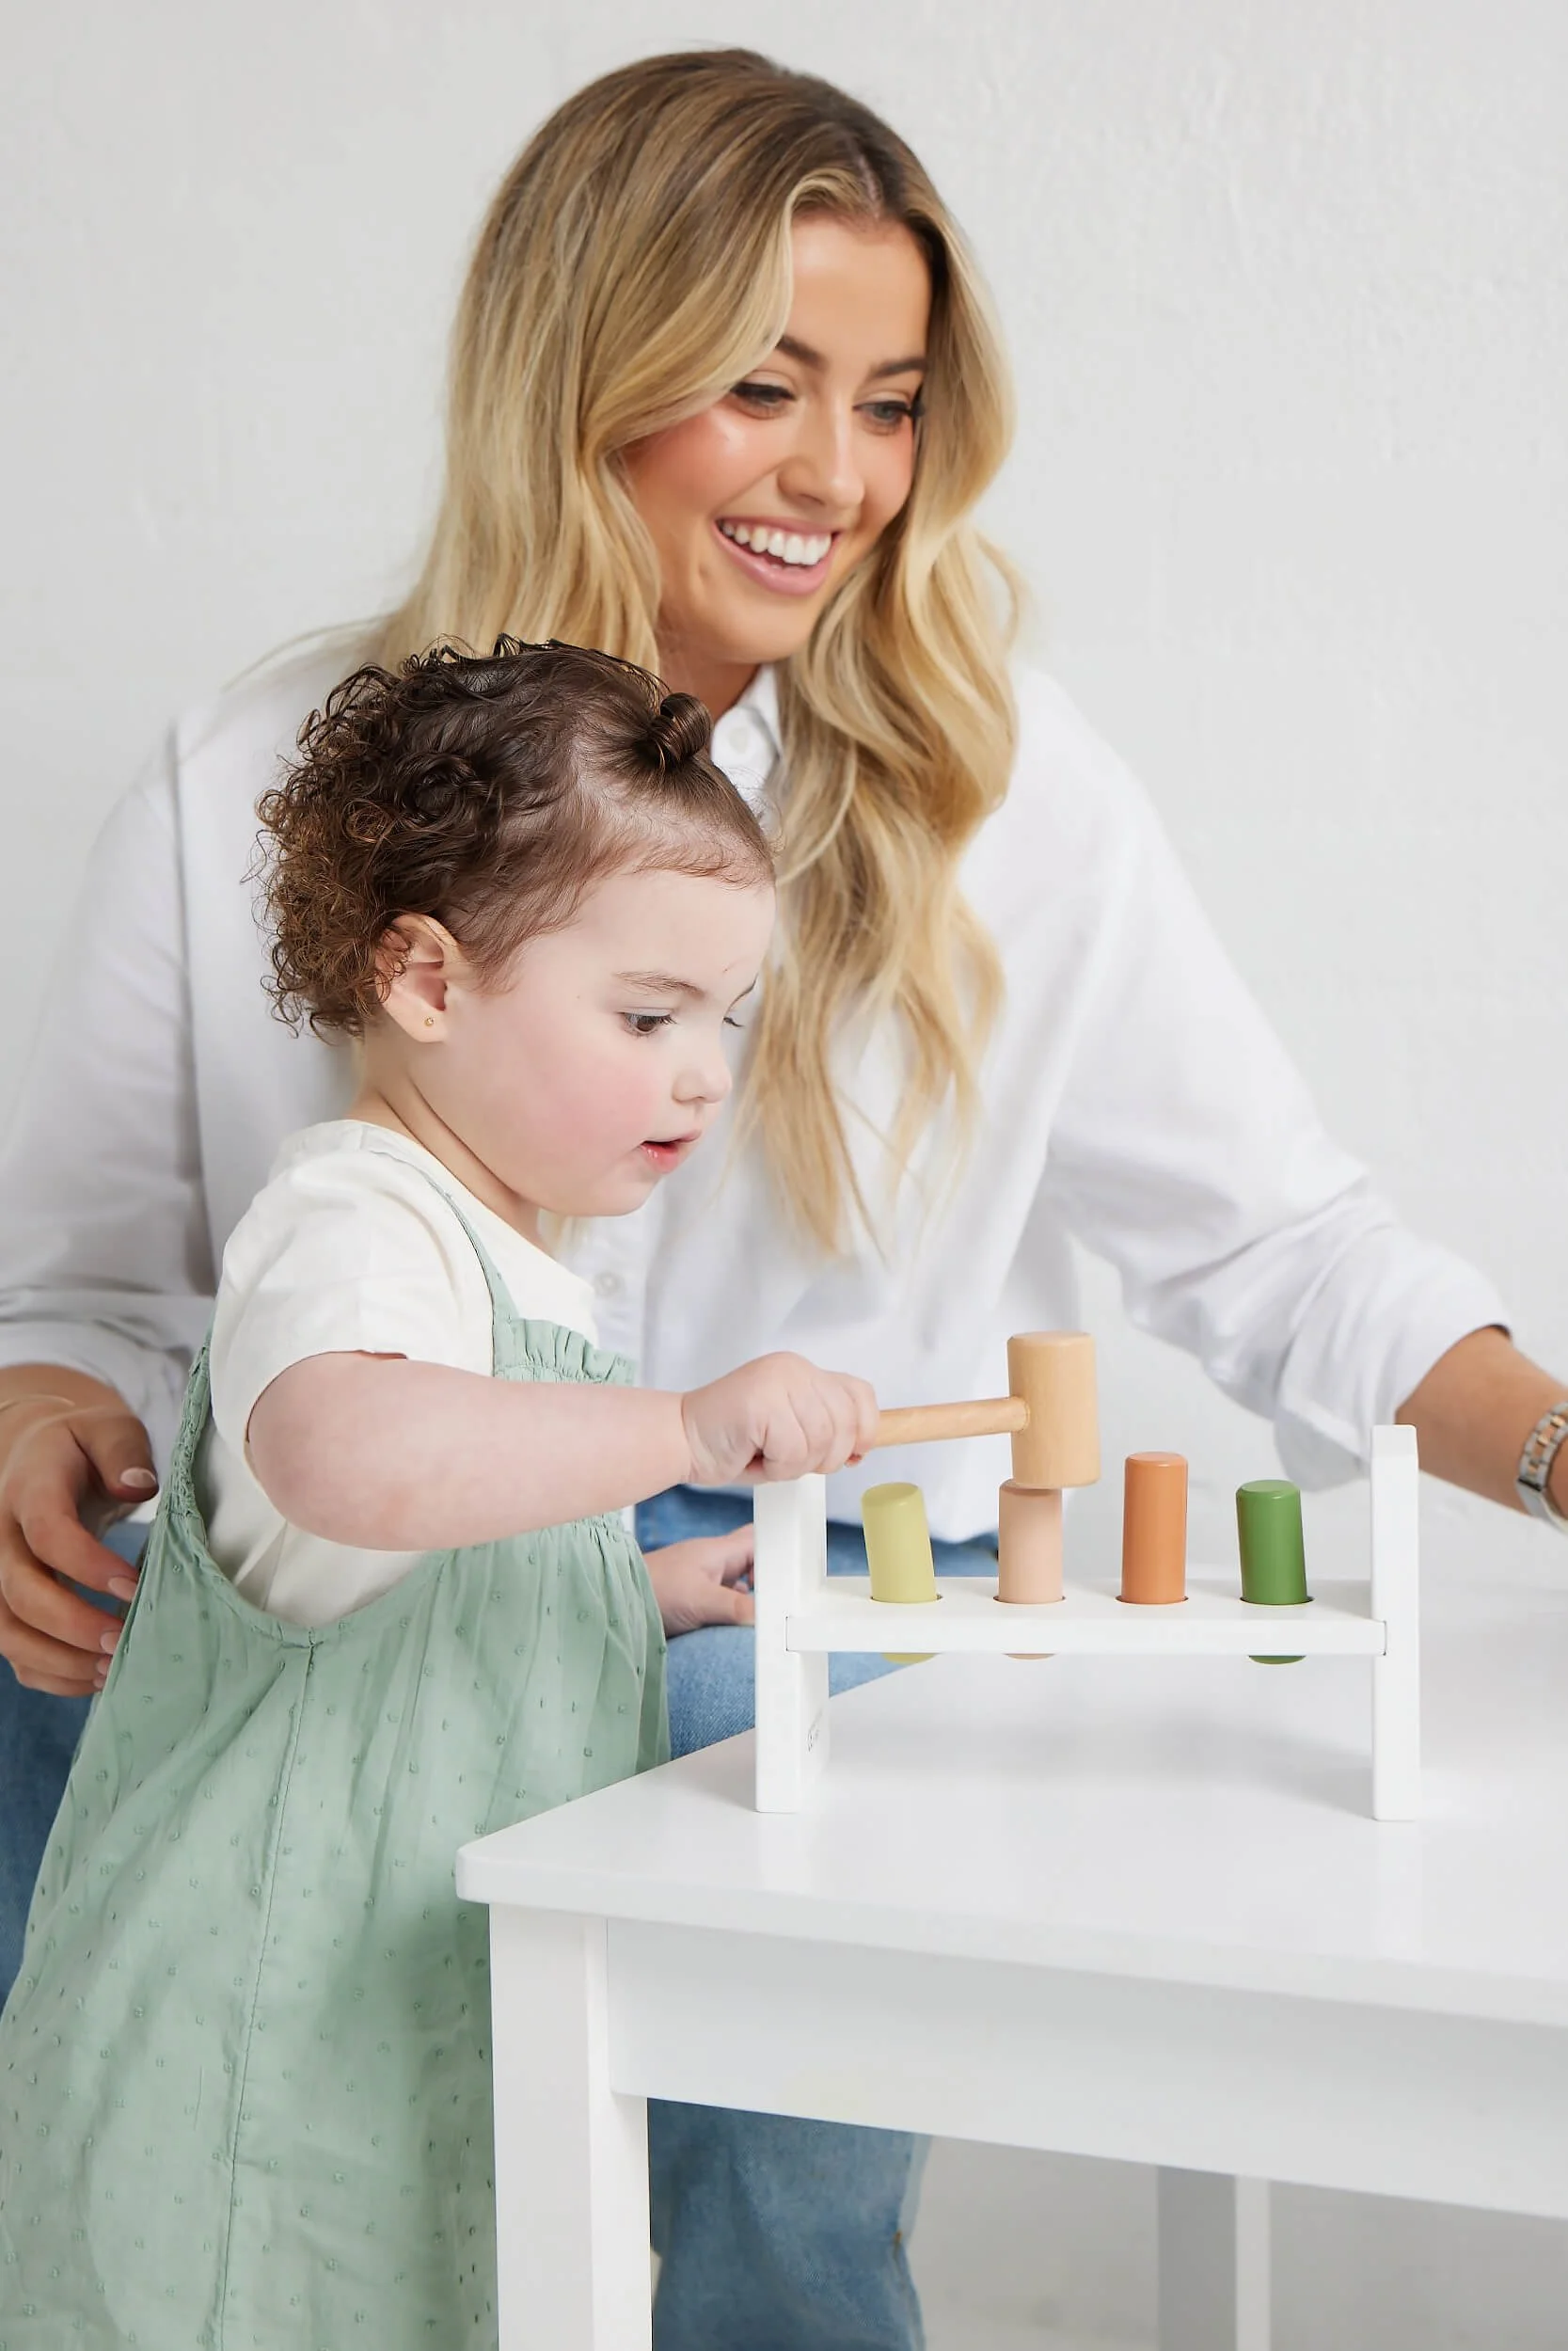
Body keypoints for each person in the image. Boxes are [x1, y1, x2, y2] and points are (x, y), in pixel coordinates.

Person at [1, 46, 1563, 2351]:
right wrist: (44, 1399)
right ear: (585, 376)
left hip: (786, 1580)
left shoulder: (998, 797)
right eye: (759, 385)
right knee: (118, 1802)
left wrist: (1537, 1439)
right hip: (366, 1572)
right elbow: (104, 1282)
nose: (834, 474)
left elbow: (1277, 1245)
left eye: (892, 400)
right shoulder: (260, 779)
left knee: (752, 1740)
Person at [0, 636, 885, 2347]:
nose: (704, 1072)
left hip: (388, 2052)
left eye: (725, 1016)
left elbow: (385, 1607)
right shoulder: (361, 1226)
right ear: (423, 980)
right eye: (647, 1014)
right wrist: (686, 1428)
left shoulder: (505, 1267)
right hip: (251, 2062)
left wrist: (627, 1587)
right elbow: (344, 1456)